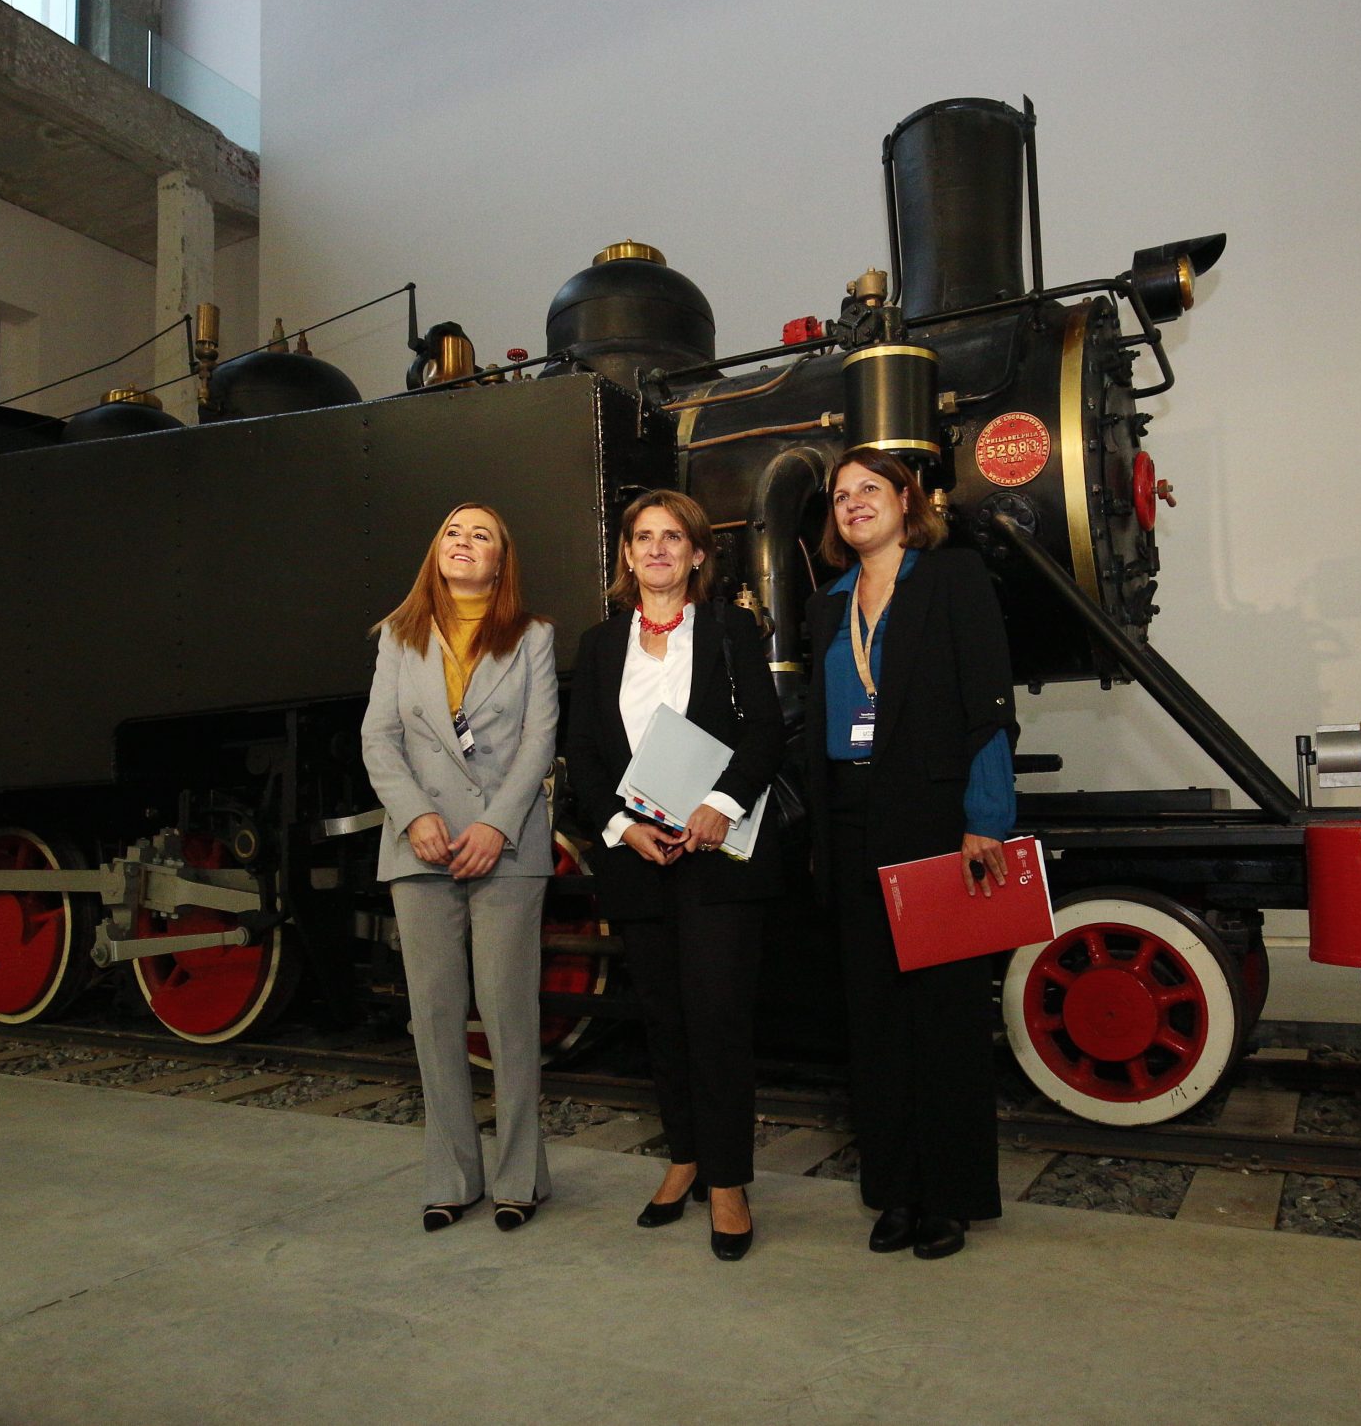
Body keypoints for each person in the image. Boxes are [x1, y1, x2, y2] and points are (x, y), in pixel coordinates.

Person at [805, 446, 1018, 1261]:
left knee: (945, 1020)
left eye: (870, 489)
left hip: (938, 825)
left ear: (907, 498)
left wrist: (986, 819)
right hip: (854, 827)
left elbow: (988, 705)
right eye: (840, 494)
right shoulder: (829, 604)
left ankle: (952, 1197)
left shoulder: (953, 577)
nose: (853, 502)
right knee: (876, 1024)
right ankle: (893, 1192)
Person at [563, 489, 785, 1262]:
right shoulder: (598, 645)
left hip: (714, 858)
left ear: (697, 554)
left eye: (674, 538)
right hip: (639, 861)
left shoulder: (730, 629)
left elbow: (766, 729)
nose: (657, 550)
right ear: (626, 554)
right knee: (663, 1019)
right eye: (643, 537)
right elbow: (584, 754)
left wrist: (722, 802)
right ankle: (683, 1157)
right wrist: (622, 829)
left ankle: (727, 1179)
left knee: (718, 1019)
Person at [360, 502, 560, 1233]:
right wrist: (416, 814)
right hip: (420, 847)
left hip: (502, 845)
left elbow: (540, 742)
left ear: (501, 561)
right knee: (435, 1018)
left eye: (482, 534)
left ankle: (518, 1177)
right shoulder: (397, 636)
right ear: (434, 550)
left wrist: (495, 825)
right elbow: (378, 737)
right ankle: (451, 1176)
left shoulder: (532, 637)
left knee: (510, 1017)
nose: (464, 541)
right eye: (452, 530)